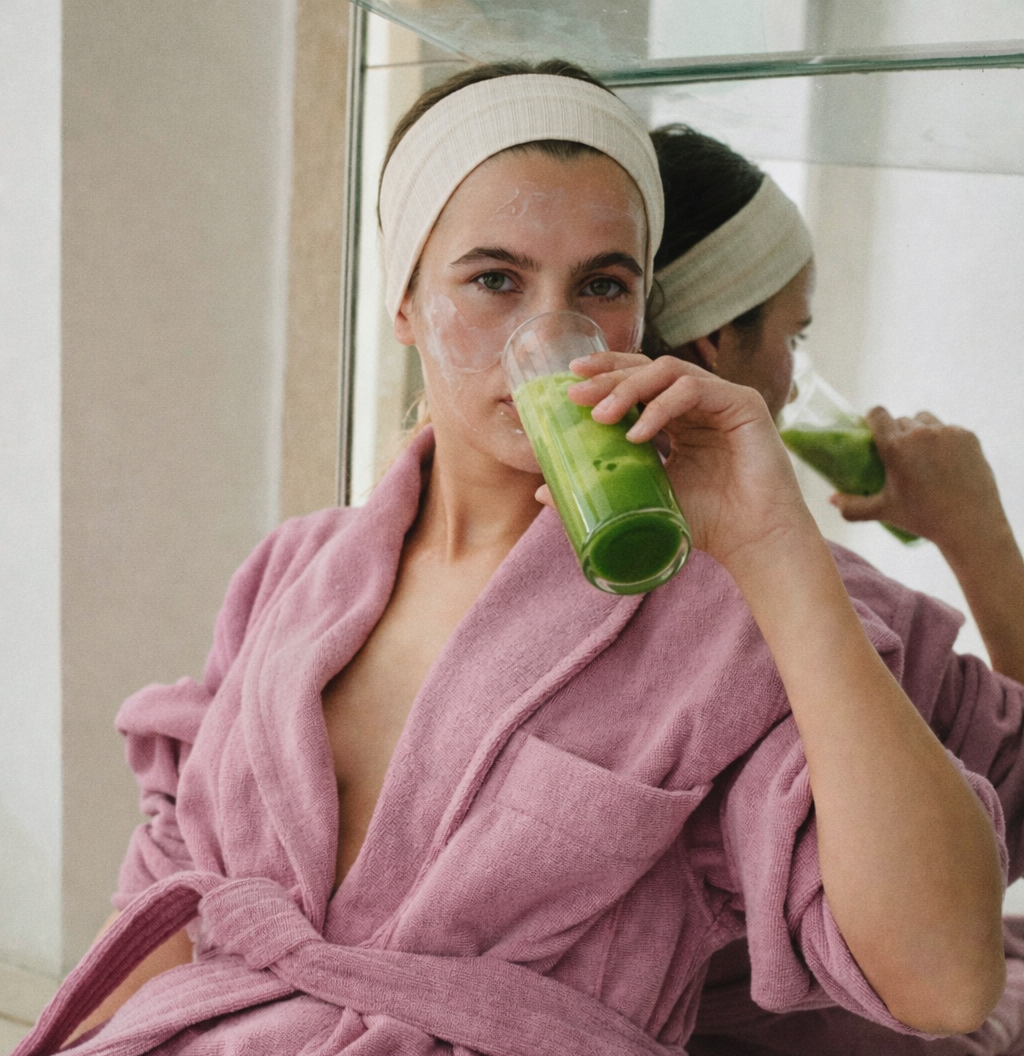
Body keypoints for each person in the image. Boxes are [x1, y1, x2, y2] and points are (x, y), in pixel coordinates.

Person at [16, 65, 1010, 1056]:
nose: (550, 334)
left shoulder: (718, 624)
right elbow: (162, 905)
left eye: (601, 286)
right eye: (495, 279)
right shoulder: (293, 571)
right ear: (403, 302)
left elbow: (939, 980)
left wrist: (775, 551)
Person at [645, 123, 1024, 1054]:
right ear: (718, 338)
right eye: (794, 333)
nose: (793, 375)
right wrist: (976, 530)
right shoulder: (822, 617)